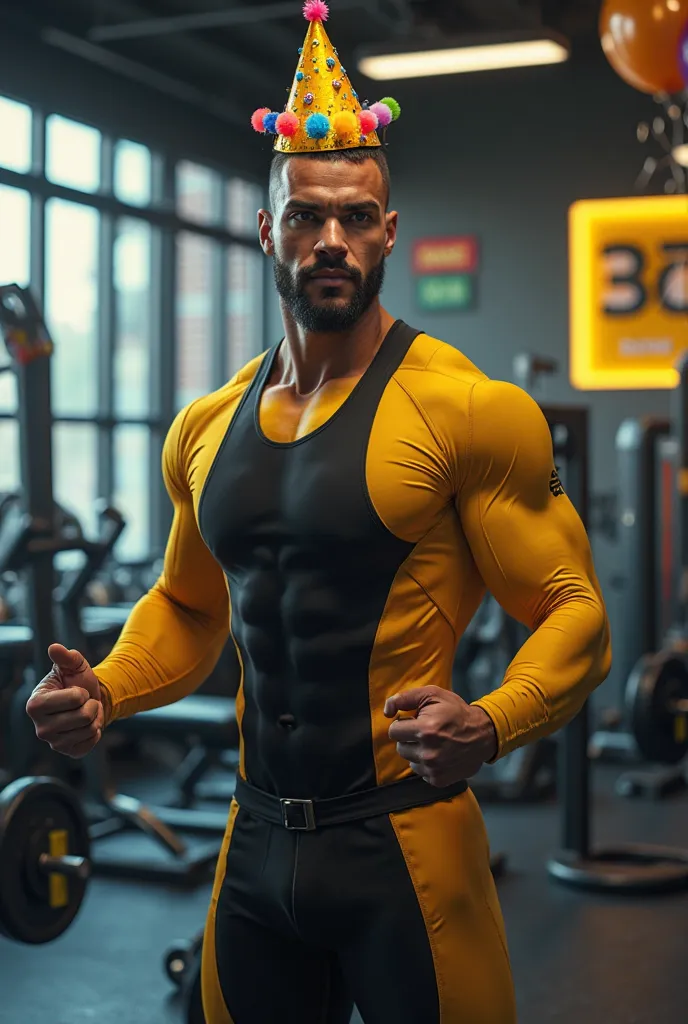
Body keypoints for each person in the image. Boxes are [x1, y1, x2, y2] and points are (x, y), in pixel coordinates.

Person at [26, 3, 611, 1022]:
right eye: (305, 216)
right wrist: (108, 689)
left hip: (406, 843)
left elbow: (574, 610)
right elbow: (188, 604)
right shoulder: (205, 426)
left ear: (389, 230)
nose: (329, 238)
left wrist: (491, 721)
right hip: (252, 853)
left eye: (353, 217)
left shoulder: (470, 409)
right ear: (268, 230)